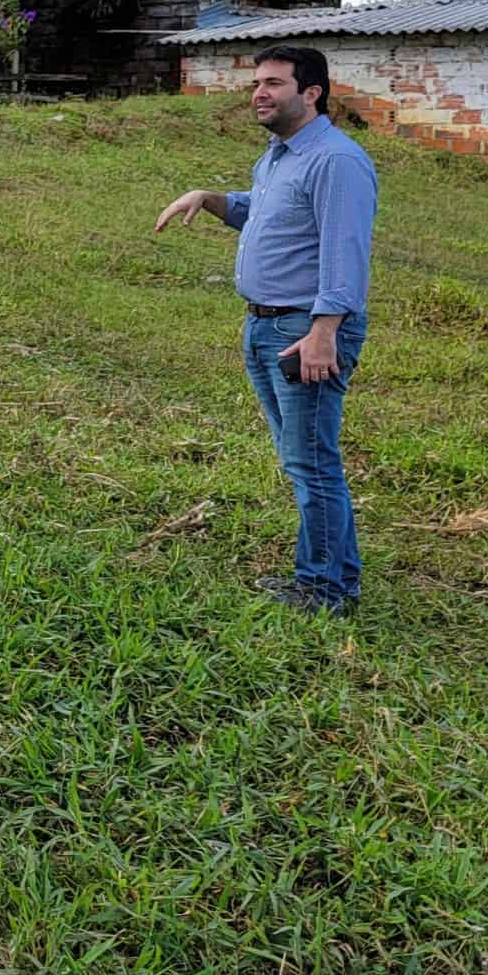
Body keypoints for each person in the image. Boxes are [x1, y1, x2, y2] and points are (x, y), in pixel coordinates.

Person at [154, 42, 379, 615]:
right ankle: (334, 575)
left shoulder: (337, 160)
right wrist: (208, 199)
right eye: (257, 83)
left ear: (311, 93)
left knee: (312, 461)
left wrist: (325, 330)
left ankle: (325, 590)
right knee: (301, 456)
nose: (259, 93)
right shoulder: (281, 155)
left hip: (305, 330)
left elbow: (344, 252)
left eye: (274, 83)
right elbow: (263, 210)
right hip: (266, 326)